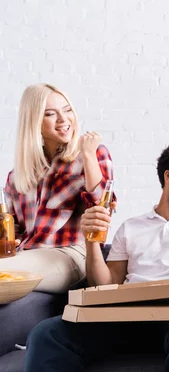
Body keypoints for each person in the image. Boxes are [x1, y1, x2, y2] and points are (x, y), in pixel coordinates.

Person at [25, 145, 169, 372]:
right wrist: (91, 241)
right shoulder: (132, 226)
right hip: (129, 317)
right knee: (47, 333)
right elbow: (104, 284)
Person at [0, 83, 114, 293]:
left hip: (70, 254)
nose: (64, 120)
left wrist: (88, 155)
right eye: (51, 114)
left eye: (67, 110)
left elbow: (101, 210)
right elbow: (13, 230)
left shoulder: (92, 154)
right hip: (26, 253)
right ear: (34, 122)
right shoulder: (18, 175)